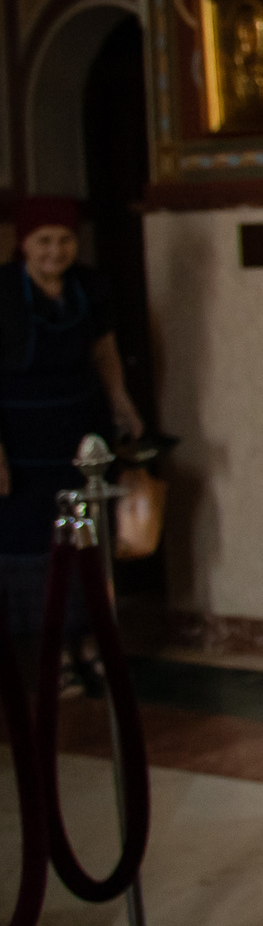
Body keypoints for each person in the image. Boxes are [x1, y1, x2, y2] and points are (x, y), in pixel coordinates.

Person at [0, 198, 143, 674]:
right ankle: (51, 655)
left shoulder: (90, 286)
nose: (54, 251)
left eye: (64, 240)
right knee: (37, 545)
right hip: (22, 439)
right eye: (43, 241)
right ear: (24, 244)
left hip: (82, 431)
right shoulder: (3, 290)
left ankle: (90, 642)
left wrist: (121, 401)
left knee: (89, 536)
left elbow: (104, 351)